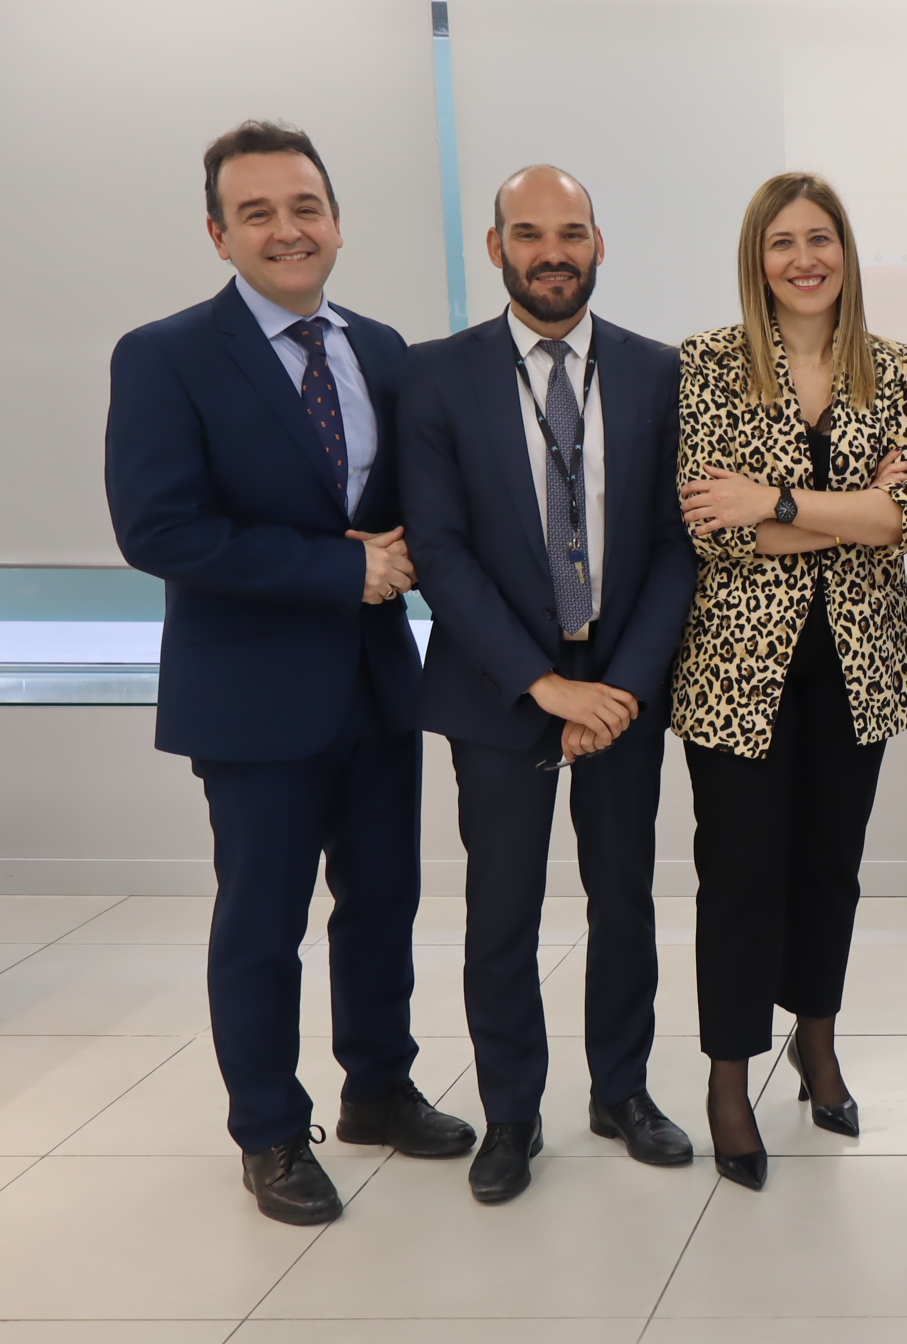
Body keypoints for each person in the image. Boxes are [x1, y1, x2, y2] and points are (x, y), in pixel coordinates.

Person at [104, 121, 472, 1225]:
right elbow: (160, 529)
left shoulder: (385, 349)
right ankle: (269, 1129)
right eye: (257, 212)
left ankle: (379, 1088)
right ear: (219, 234)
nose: (287, 229)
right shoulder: (164, 355)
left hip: (375, 683)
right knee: (262, 920)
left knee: (383, 903)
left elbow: (423, 509)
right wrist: (338, 571)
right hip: (254, 692)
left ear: (337, 222)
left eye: (305, 206)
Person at [397, 166, 697, 1203]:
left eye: (571, 232)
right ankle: (512, 1115)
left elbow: (673, 545)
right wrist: (542, 685)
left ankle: (622, 1090)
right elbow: (438, 549)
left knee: (624, 898)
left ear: (600, 243)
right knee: (503, 909)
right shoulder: (436, 378)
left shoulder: (662, 374)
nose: (552, 251)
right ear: (496, 249)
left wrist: (615, 686)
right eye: (529, 233)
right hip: (497, 689)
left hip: (622, 686)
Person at [673, 172, 907, 1189]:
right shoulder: (708, 365)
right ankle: (729, 1080)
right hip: (738, 673)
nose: (804, 258)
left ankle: (815, 1041)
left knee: (830, 866)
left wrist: (774, 499)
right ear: (757, 259)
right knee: (739, 878)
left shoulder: (893, 369)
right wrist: (844, 509)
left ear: (846, 252)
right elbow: (711, 524)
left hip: (855, 671)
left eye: (820, 238)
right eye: (781, 242)